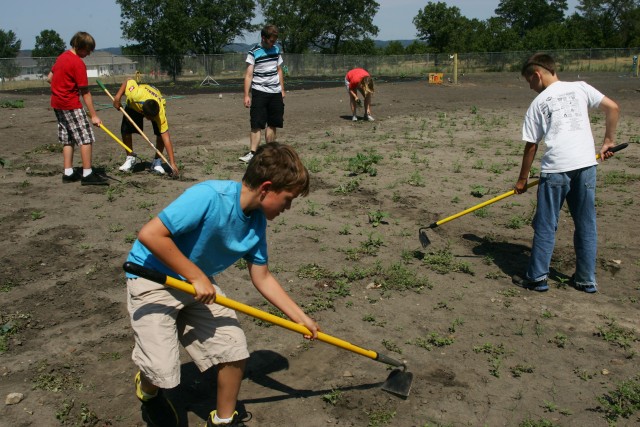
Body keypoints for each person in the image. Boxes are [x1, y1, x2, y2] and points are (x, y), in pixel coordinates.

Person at [125, 142, 319, 426]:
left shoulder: (257, 223)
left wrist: (300, 317)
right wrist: (195, 275)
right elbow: (150, 235)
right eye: (288, 198)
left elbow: (262, 276)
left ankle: (223, 420)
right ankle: (148, 389)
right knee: (162, 371)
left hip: (197, 286)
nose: (288, 207)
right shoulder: (209, 196)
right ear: (266, 188)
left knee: (235, 349)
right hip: (152, 277)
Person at [512, 53, 619, 294]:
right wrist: (608, 141)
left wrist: (522, 180)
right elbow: (613, 108)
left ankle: (537, 277)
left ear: (537, 75)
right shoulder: (581, 88)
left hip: (556, 170)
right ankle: (585, 279)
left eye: (529, 81)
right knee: (586, 223)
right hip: (585, 166)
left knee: (546, 224)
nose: (530, 87)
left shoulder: (539, 103)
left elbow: (531, 145)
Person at [48, 31, 108, 185]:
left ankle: (68, 172)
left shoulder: (62, 57)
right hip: (70, 104)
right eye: (87, 50)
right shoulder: (77, 63)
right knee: (85, 137)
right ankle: (87, 174)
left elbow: (50, 78)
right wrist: (94, 115)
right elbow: (85, 92)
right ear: (80, 47)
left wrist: (61, 88)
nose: (88, 54)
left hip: (57, 103)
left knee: (68, 138)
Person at [112, 78, 179, 175]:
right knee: (125, 131)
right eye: (150, 118)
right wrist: (117, 97)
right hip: (133, 105)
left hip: (154, 95)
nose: (151, 119)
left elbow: (166, 138)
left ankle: (157, 161)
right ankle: (130, 158)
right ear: (144, 114)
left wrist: (172, 163)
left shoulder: (160, 113)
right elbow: (128, 80)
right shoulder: (134, 95)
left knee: (160, 135)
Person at [239, 25, 285, 163]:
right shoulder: (254, 52)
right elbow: (248, 75)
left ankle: (270, 152)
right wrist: (246, 95)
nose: (273, 44)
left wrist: (282, 89)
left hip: (275, 92)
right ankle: (253, 153)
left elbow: (279, 70)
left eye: (275, 41)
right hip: (259, 92)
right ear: (263, 38)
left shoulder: (276, 50)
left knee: (273, 123)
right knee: (257, 124)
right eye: (271, 41)